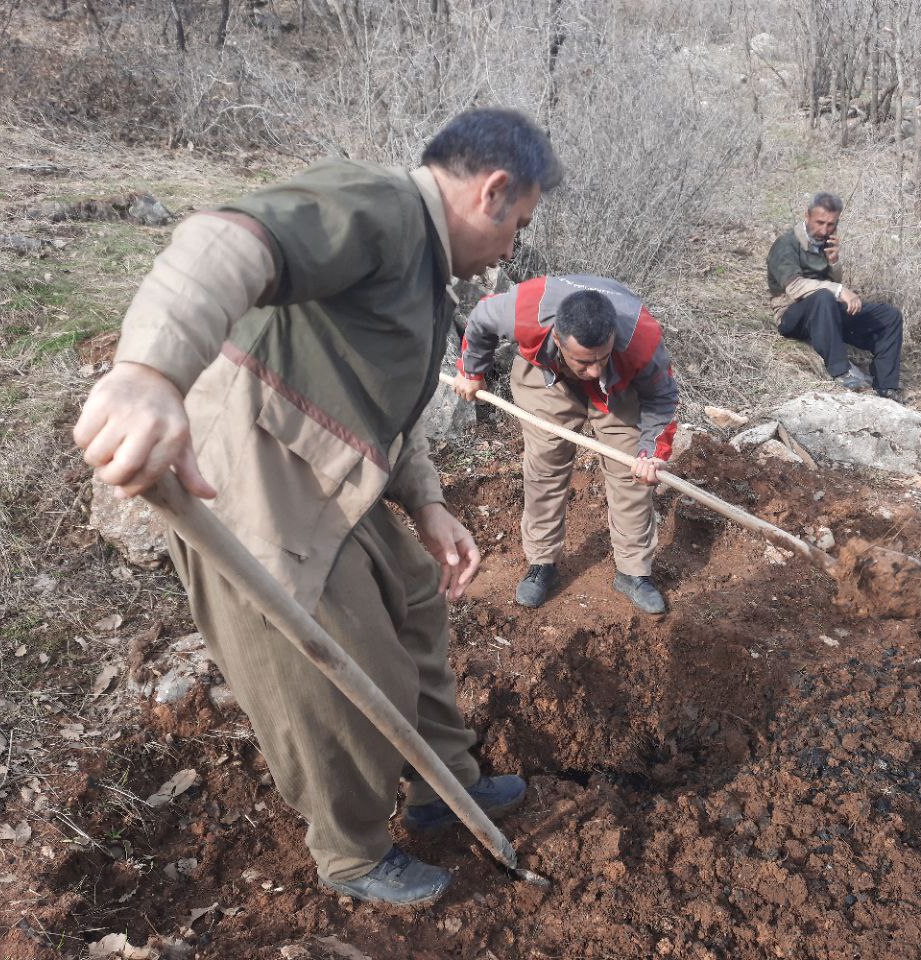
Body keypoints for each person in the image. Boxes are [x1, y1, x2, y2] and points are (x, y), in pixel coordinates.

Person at [73, 109, 563, 907]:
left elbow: (381, 412)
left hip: (337, 480)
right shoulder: (379, 207)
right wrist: (149, 373)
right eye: (521, 226)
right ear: (494, 191)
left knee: (415, 607)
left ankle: (445, 787)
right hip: (254, 484)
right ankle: (353, 853)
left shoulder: (425, 276)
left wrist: (431, 507)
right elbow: (226, 242)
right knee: (332, 682)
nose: (514, 250)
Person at [451, 276, 678, 615]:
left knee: (632, 474)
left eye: (600, 357)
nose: (593, 369)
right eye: (584, 361)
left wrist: (651, 453)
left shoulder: (639, 341)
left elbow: (662, 399)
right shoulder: (525, 310)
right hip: (548, 381)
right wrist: (472, 370)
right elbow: (481, 318)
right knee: (545, 466)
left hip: (617, 391)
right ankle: (543, 562)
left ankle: (633, 572)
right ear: (557, 337)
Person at [766, 192, 904, 401]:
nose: (824, 230)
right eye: (819, 222)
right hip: (792, 315)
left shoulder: (825, 242)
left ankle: (886, 387)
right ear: (807, 215)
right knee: (824, 297)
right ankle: (841, 370)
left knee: (889, 316)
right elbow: (794, 288)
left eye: (831, 224)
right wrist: (840, 291)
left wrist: (834, 262)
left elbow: (832, 281)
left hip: (826, 312)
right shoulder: (786, 244)